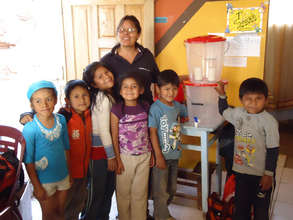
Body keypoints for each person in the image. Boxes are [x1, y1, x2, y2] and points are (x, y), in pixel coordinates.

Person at [215, 78, 280, 220]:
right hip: (242, 173)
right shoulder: (238, 114)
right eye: (248, 99)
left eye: (258, 98)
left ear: (266, 100)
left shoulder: (269, 122)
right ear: (241, 99)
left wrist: (268, 174)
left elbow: (273, 149)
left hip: (261, 175)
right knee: (241, 209)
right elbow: (223, 110)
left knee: (260, 211)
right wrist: (221, 94)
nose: (253, 102)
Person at [23, 80, 71, 220]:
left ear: (56, 99)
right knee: (49, 215)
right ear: (32, 105)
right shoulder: (30, 128)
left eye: (48, 99)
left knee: (60, 212)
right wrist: (37, 187)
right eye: (38, 101)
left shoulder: (61, 120)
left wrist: (70, 173)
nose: (44, 104)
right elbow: (28, 160)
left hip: (63, 176)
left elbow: (66, 147)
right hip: (43, 181)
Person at [110, 71, 153, 220]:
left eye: (133, 86)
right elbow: (114, 137)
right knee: (123, 194)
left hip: (144, 156)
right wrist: (117, 159)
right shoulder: (117, 110)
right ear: (120, 91)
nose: (129, 90)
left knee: (140, 193)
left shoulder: (145, 107)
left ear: (141, 90)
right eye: (125, 87)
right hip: (124, 157)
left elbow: (149, 132)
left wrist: (152, 153)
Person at [148, 70, 188, 220]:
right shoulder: (155, 108)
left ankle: (161, 211)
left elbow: (187, 113)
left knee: (172, 188)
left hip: (174, 155)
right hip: (161, 157)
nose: (170, 92)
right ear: (158, 89)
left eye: (174, 89)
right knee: (161, 191)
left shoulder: (177, 106)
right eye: (166, 89)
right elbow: (152, 133)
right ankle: (161, 215)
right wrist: (158, 156)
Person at [82, 61, 117, 220]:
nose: (106, 77)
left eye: (106, 72)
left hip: (105, 151)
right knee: (97, 193)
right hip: (99, 154)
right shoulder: (102, 98)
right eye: (100, 77)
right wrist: (111, 156)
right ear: (93, 84)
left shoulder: (108, 95)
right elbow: (104, 130)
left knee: (107, 192)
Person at [101, 15, 159, 105]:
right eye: (122, 30)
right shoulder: (107, 60)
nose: (126, 34)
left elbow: (158, 80)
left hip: (147, 111)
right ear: (117, 34)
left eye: (131, 30)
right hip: (119, 115)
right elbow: (98, 87)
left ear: (138, 34)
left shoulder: (147, 55)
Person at [60, 80, 92, 220]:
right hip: (68, 174)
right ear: (68, 100)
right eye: (76, 96)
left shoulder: (91, 115)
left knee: (78, 203)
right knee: (65, 206)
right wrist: (26, 114)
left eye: (85, 95)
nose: (82, 100)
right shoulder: (63, 118)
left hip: (84, 172)